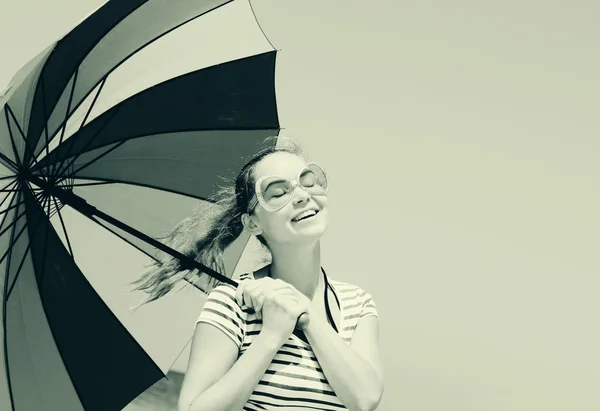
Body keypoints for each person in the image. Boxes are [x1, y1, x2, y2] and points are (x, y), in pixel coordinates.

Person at [134, 138, 384, 411]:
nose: (302, 196)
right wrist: (272, 336)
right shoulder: (233, 302)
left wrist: (305, 314)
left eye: (308, 180)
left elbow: (365, 398)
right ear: (252, 223)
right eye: (278, 193)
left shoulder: (356, 304)